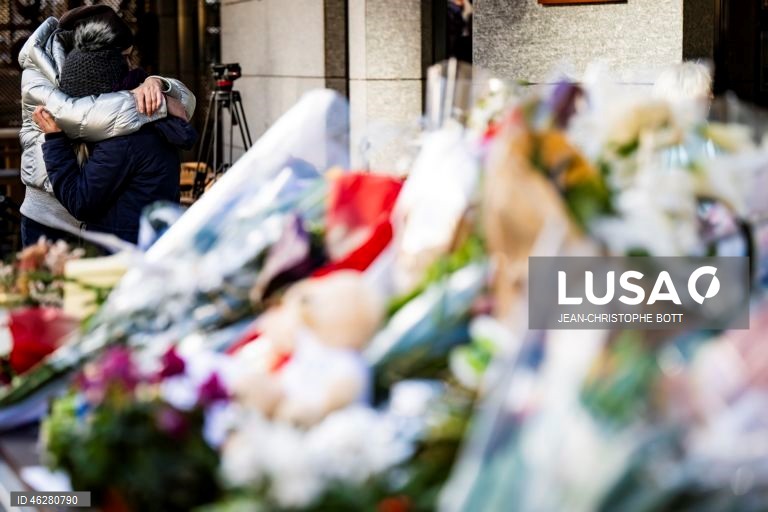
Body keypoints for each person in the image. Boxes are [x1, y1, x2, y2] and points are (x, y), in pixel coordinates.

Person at [18, 5, 195, 246]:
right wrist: (157, 103)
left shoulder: (98, 71)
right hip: (48, 215)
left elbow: (186, 104)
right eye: (123, 56)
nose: (129, 66)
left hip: (89, 208)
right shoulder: (38, 70)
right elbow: (77, 113)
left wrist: (158, 84)